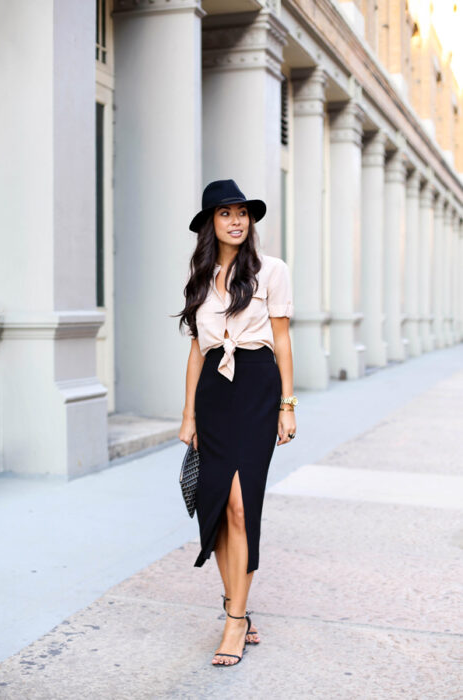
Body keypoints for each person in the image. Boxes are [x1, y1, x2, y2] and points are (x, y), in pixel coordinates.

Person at [177, 179, 297, 667]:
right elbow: (195, 351)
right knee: (220, 508)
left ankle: (234, 621)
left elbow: (284, 340)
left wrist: (288, 404)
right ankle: (236, 607)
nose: (236, 220)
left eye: (242, 213)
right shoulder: (200, 277)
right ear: (211, 223)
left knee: (243, 506)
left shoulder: (272, 270)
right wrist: (188, 414)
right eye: (225, 213)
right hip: (213, 391)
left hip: (255, 386)